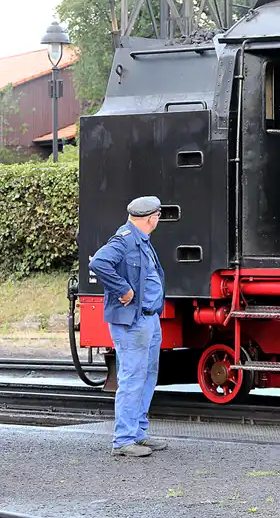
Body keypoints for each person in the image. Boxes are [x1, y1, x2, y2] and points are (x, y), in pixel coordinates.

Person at [89, 196, 168, 458]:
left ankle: (138, 434)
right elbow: (99, 263)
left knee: (147, 375)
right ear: (150, 218)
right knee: (133, 378)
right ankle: (123, 440)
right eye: (157, 215)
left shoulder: (141, 240)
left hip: (148, 319)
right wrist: (123, 289)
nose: (158, 219)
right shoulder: (124, 240)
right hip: (132, 321)